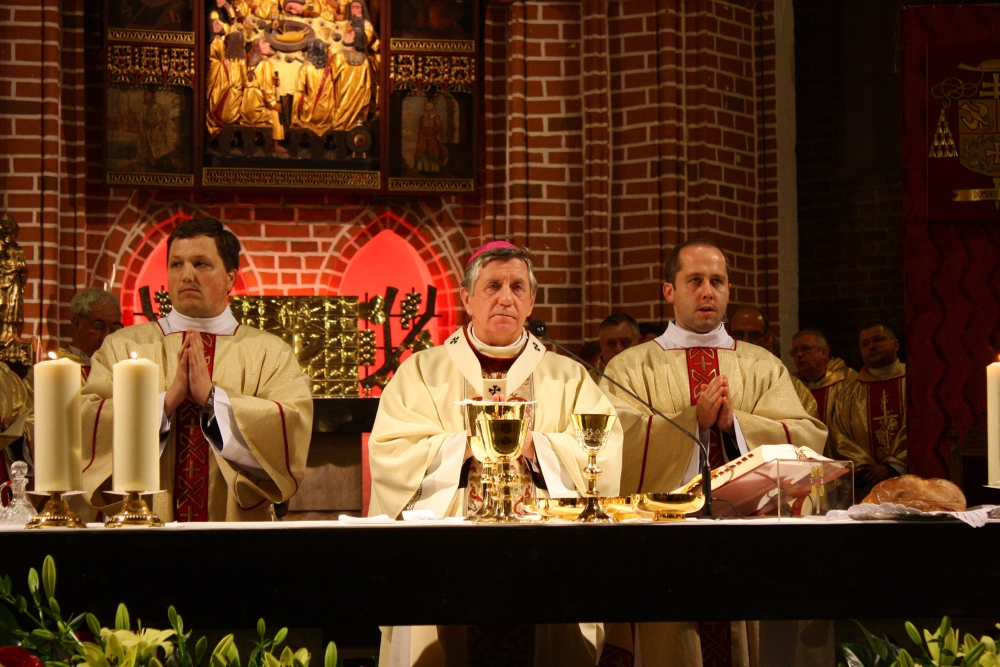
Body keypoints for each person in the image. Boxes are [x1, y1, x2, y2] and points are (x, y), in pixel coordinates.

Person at [369, 240, 622, 667]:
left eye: (518, 287)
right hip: (446, 561)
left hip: (544, 559)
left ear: (532, 301)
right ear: (467, 299)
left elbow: (605, 451)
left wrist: (535, 444)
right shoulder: (422, 372)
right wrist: (469, 444)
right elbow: (391, 454)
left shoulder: (568, 375)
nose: (506, 297)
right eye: (493, 286)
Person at [600, 238, 826, 667]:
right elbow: (610, 442)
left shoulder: (762, 365)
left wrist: (735, 424)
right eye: (695, 281)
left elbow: (807, 437)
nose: (708, 292)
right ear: (669, 291)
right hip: (665, 547)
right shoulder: (630, 366)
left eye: (717, 282)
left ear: (728, 290)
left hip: (749, 545)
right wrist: (691, 421)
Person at [81, 217, 313, 522]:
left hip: (233, 531)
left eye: (201, 264)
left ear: (230, 278)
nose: (187, 275)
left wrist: (213, 400)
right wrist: (165, 403)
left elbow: (290, 428)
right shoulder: (122, 347)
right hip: (142, 529)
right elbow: (89, 420)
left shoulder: (269, 352)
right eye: (176, 264)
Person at [828, 322, 906, 497]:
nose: (871, 346)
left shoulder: (913, 383)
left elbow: (922, 428)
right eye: (865, 344)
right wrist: (865, 469)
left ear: (896, 345)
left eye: (878, 340)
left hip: (911, 480)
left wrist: (892, 466)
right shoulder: (847, 395)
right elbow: (838, 436)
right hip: (866, 485)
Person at [728, 306, 819, 420]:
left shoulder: (794, 387)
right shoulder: (719, 376)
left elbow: (806, 428)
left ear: (766, 339)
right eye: (738, 334)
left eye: (754, 335)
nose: (745, 341)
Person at [791, 328, 857, 433]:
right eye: (795, 351)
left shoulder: (847, 380)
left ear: (824, 353)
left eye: (805, 348)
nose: (799, 354)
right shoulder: (790, 385)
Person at [331, 0, 379, 130]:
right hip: (342, 57)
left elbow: (364, 42)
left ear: (363, 9)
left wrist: (356, 31)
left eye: (358, 7)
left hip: (362, 56)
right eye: (352, 7)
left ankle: (360, 116)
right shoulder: (345, 23)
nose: (355, 10)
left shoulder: (367, 25)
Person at [241, 38, 287, 154]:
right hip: (256, 106)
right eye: (264, 43)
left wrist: (271, 80)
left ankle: (259, 138)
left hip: (247, 106)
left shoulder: (252, 63)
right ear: (258, 49)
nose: (269, 43)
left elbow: (256, 80)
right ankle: (275, 145)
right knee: (275, 113)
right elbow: (266, 88)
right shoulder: (265, 63)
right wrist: (273, 103)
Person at [206, 31, 247, 140]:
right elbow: (244, 81)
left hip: (223, 93)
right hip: (235, 96)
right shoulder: (242, 60)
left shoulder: (223, 59)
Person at [291, 39, 337, 136]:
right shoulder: (331, 68)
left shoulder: (305, 67)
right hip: (328, 114)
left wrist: (295, 117)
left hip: (309, 114)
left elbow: (299, 93)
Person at [591, 313, 639, 384]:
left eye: (625, 342)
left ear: (639, 343)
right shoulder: (586, 382)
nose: (618, 349)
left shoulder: (651, 378)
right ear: (601, 345)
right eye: (611, 343)